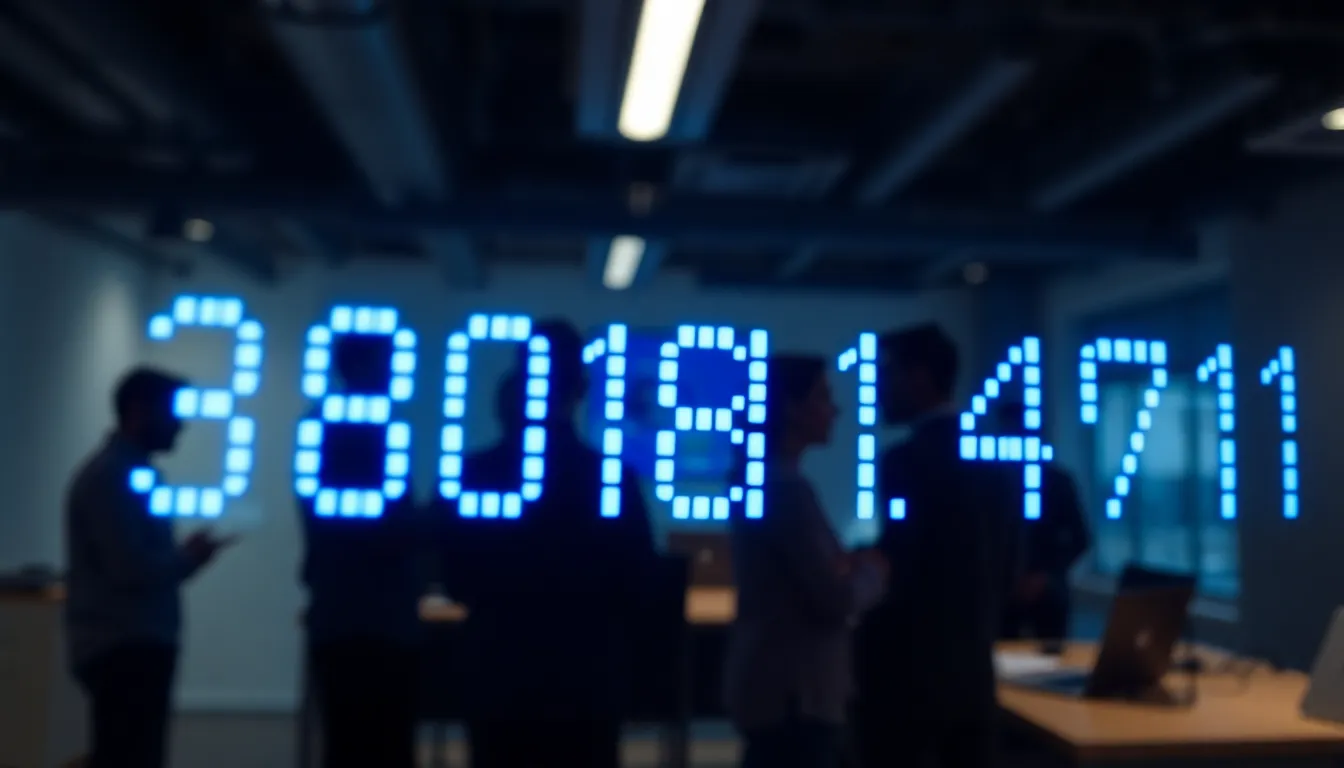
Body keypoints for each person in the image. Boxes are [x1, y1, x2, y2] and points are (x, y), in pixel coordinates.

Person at [442, 320, 656, 768]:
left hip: (499, 673)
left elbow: (454, 578)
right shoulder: (613, 480)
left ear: (521, 377)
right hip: (587, 680)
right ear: (581, 388)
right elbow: (640, 584)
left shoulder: (473, 474)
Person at [853, 324, 1022, 768]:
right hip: (974, 675)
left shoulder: (903, 463)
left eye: (886, 374)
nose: (878, 389)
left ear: (919, 376)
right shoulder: (997, 466)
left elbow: (900, 566)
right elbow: (1008, 566)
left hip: (907, 680)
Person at [724, 354, 888, 768]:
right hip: (799, 694)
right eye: (823, 397)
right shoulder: (788, 493)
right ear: (791, 408)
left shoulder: (757, 482)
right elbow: (835, 598)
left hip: (771, 685)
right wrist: (875, 573)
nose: (835, 410)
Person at [65, 367, 233, 768]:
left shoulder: (126, 474)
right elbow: (129, 568)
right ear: (139, 411)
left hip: (128, 646)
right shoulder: (112, 477)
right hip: (125, 648)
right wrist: (187, 558)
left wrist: (182, 559)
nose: (181, 425)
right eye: (172, 412)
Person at [299, 334, 424, 768]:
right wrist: (426, 524)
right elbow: (385, 528)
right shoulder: (373, 430)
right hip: (381, 620)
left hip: (339, 616)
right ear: (362, 365)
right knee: (387, 743)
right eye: (385, 363)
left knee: (347, 741)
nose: (392, 373)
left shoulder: (318, 426)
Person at [995, 401, 1090, 644]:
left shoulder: (1057, 482)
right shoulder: (991, 486)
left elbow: (1081, 538)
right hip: (1002, 597)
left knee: (1053, 655)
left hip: (1049, 596)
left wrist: (1046, 576)